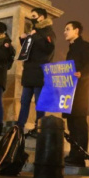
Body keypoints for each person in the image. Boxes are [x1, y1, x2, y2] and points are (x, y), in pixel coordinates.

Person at [16, 8, 56, 136]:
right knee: (24, 101)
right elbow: (28, 51)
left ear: (42, 17)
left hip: (40, 72)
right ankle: (19, 126)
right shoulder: (32, 32)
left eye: (34, 15)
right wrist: (23, 40)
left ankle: (39, 126)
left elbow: (49, 49)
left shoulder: (47, 31)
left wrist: (35, 36)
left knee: (39, 102)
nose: (31, 18)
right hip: (29, 72)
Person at [62, 21, 89, 167]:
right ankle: (73, 154)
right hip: (69, 91)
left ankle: (80, 156)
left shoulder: (86, 46)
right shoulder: (70, 50)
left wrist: (82, 73)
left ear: (76, 31)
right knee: (71, 125)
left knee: (79, 124)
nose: (65, 32)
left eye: (67, 29)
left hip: (80, 91)